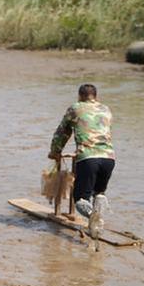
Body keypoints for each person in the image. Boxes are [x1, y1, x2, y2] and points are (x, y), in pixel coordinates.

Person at [49, 83, 114, 238]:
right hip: (109, 158)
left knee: (80, 199)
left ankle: (93, 216)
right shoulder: (106, 109)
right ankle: (96, 225)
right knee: (99, 193)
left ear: (79, 96)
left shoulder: (75, 108)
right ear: (96, 96)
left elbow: (62, 132)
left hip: (88, 157)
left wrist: (55, 152)